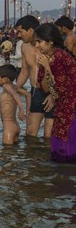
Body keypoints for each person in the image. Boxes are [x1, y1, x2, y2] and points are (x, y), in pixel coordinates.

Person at [33, 23, 76, 162]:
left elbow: (62, 87)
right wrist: (46, 68)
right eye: (36, 42)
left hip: (71, 109)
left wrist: (48, 68)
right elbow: (47, 89)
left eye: (39, 41)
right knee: (59, 149)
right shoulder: (46, 59)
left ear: (50, 41)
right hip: (61, 108)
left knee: (66, 150)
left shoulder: (61, 56)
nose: (37, 46)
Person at [15, 15, 50, 138]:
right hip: (36, 92)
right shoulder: (24, 46)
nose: (19, 35)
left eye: (20, 31)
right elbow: (25, 71)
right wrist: (17, 87)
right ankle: (30, 157)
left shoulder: (49, 45)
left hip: (52, 93)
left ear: (30, 30)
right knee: (30, 134)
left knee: (48, 135)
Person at [0, 64, 31, 145]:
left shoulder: (6, 86)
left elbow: (14, 94)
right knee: (13, 151)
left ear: (5, 79)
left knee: (5, 153)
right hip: (16, 126)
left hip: (9, 129)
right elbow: (28, 95)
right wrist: (27, 112)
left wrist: (21, 108)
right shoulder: (14, 87)